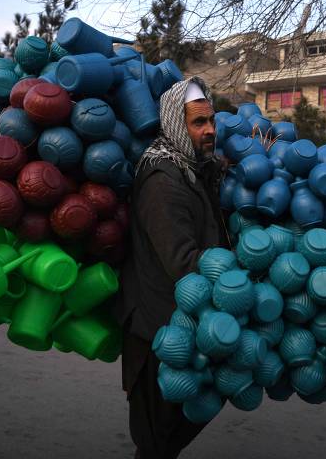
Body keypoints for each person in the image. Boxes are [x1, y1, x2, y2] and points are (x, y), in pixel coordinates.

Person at [114, 77, 228, 459]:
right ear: (177, 125)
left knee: (168, 435)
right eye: (199, 123)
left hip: (181, 324)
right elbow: (182, 263)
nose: (210, 130)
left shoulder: (192, 169)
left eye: (211, 121)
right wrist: (237, 277)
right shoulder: (163, 179)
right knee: (156, 439)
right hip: (156, 330)